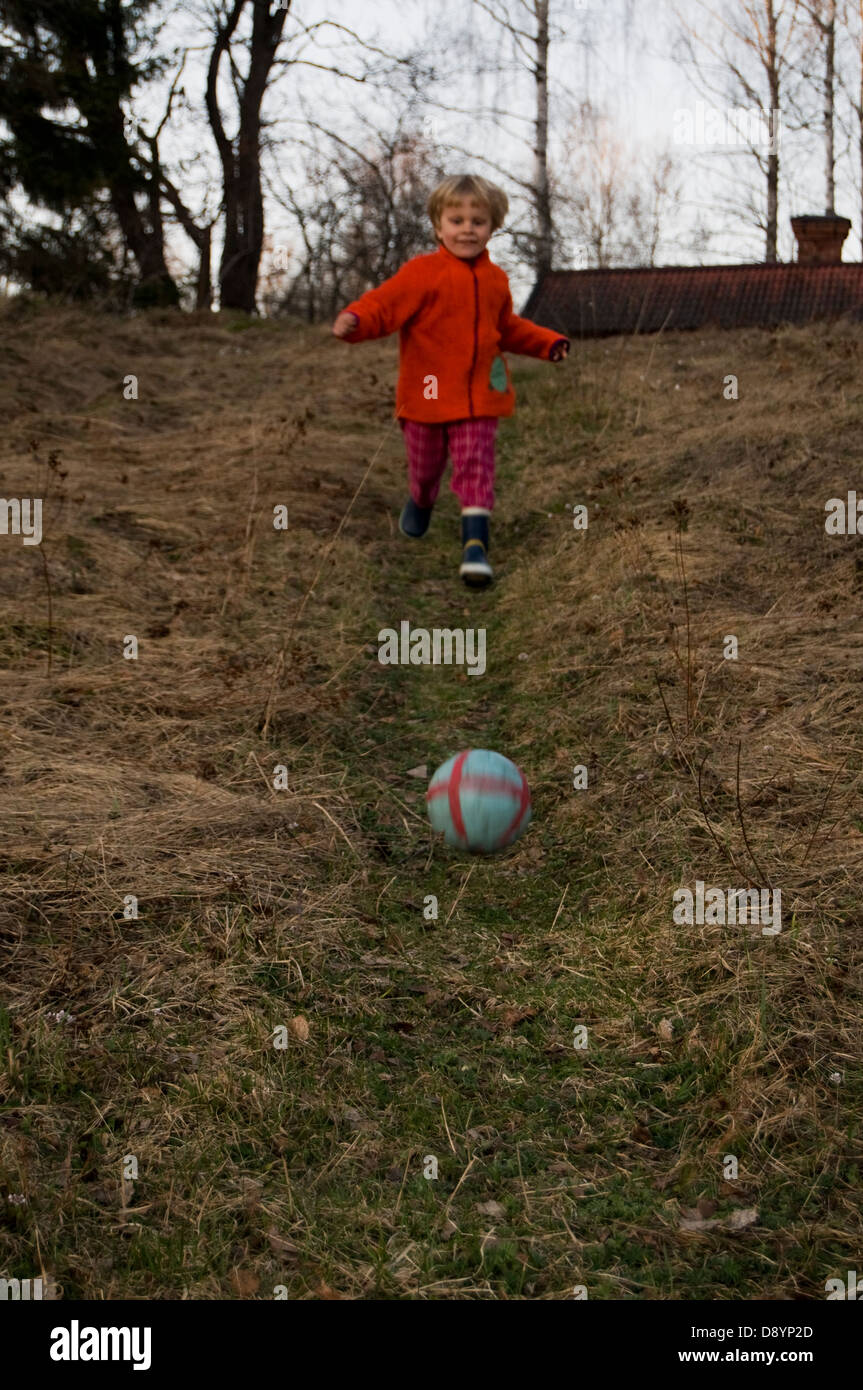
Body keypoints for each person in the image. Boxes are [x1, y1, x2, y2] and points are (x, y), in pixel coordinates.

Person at [332, 173, 569, 586]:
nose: (467, 229)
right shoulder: (422, 273)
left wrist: (547, 343)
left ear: (492, 227)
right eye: (456, 220)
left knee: (476, 464)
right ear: (438, 227)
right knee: (426, 468)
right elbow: (384, 306)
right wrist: (357, 319)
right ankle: (422, 500)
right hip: (427, 394)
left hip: (479, 394)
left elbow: (506, 328)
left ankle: (475, 546)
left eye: (477, 221)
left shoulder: (496, 280)